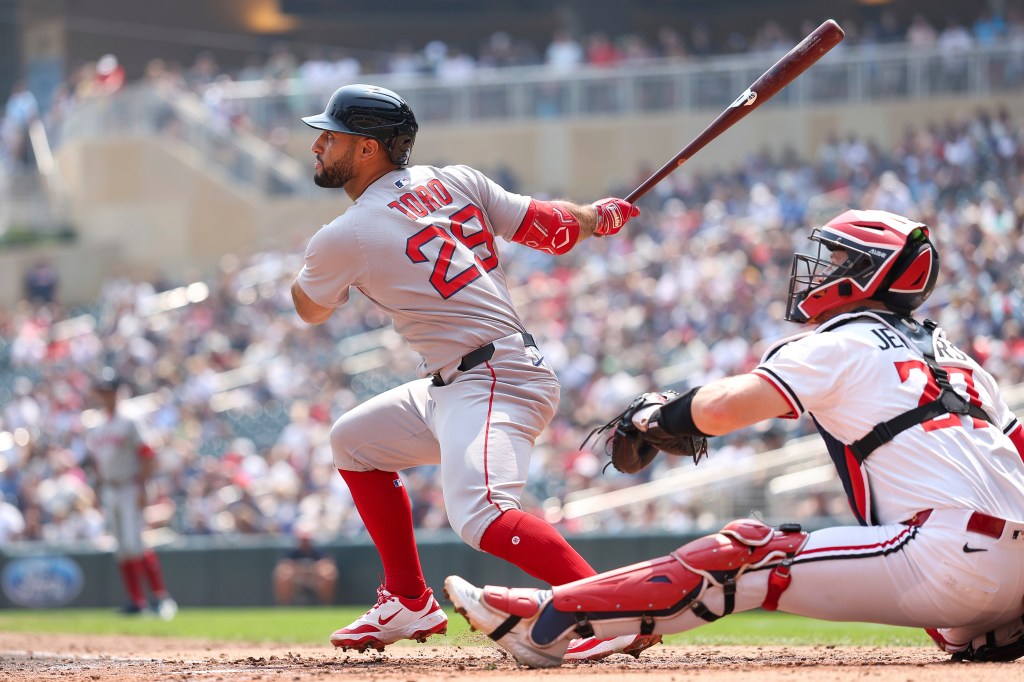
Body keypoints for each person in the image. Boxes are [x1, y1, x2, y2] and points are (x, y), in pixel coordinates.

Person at [445, 209, 1024, 667]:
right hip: (1009, 577)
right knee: (764, 570)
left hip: (950, 560)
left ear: (864, 275)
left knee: (750, 554)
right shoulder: (963, 361)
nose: (820, 270)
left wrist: (655, 417)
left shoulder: (841, 342)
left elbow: (723, 410)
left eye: (838, 258)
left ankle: (547, 621)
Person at [291, 83, 656, 660]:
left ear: (367, 149)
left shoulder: (347, 233)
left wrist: (323, 268)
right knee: (353, 442)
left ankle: (611, 614)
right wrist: (599, 215)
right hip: (462, 378)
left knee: (481, 515)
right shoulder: (455, 179)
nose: (317, 146)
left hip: (491, 377)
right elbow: (554, 228)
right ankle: (409, 600)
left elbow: (309, 309)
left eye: (330, 136)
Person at [85, 369, 177, 620]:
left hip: (130, 485)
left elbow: (147, 454)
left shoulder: (130, 419)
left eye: (109, 390)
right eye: (102, 391)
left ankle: (160, 597)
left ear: (118, 392)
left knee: (134, 545)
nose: (105, 395)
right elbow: (96, 462)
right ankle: (136, 601)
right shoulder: (98, 425)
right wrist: (97, 489)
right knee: (122, 548)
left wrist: (142, 487)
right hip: (110, 488)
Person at [273, 528, 338, 605]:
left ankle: (325, 605)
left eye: (306, 540)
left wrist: (312, 569)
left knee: (329, 576)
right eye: (302, 540)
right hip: (296, 579)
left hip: (315, 578)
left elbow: (328, 565)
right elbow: (284, 566)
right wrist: (300, 569)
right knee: (283, 576)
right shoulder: (292, 552)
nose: (304, 542)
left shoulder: (318, 552)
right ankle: (284, 606)